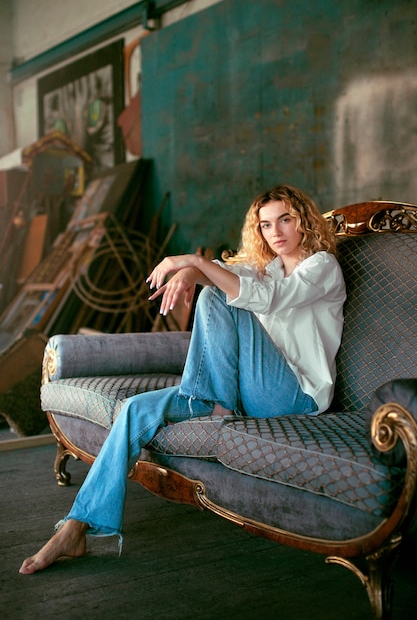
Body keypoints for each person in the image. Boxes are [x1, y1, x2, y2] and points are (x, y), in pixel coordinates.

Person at [19, 184, 346, 575]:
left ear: (304, 221)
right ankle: (76, 526)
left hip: (296, 397)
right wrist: (192, 271)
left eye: (286, 220)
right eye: (265, 225)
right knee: (133, 409)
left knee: (215, 295)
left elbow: (267, 299)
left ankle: (212, 403)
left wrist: (193, 262)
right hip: (247, 391)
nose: (275, 232)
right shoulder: (268, 268)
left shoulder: (323, 267)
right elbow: (235, 277)